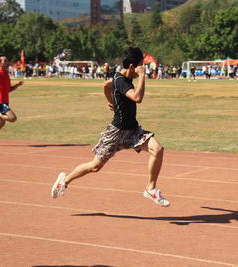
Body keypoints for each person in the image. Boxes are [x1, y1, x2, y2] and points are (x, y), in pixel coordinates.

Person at [51, 47, 170, 207]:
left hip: (133, 130)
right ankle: (64, 181)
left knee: (158, 149)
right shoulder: (121, 80)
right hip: (116, 132)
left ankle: (150, 189)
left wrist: (112, 102)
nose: (143, 69)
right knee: (95, 166)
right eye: (142, 66)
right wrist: (142, 76)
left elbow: (106, 85)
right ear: (133, 67)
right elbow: (137, 97)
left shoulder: (120, 79)